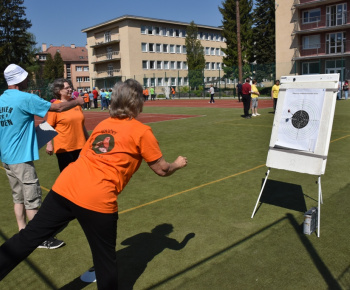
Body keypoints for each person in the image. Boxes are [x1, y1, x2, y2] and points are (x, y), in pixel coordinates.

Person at [0, 79, 188, 289]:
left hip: (65, 187)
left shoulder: (103, 124)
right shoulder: (142, 131)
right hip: (97, 199)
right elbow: (162, 169)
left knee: (28, 237)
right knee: (105, 261)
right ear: (137, 102)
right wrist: (177, 164)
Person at [0, 64, 84, 249]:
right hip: (20, 158)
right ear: (19, 80)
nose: (28, 79)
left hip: (6, 156)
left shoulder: (2, 99)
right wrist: (77, 102)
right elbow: (59, 108)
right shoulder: (24, 98)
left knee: (18, 196)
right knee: (32, 196)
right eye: (25, 77)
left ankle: (23, 230)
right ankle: (40, 238)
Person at [45, 78, 90, 172]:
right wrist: (49, 144)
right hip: (64, 149)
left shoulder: (76, 104)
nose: (70, 89)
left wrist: (88, 140)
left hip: (81, 147)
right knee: (67, 178)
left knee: (81, 176)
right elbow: (48, 126)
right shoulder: (55, 107)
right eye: (67, 88)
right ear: (59, 91)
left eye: (70, 87)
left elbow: (82, 125)